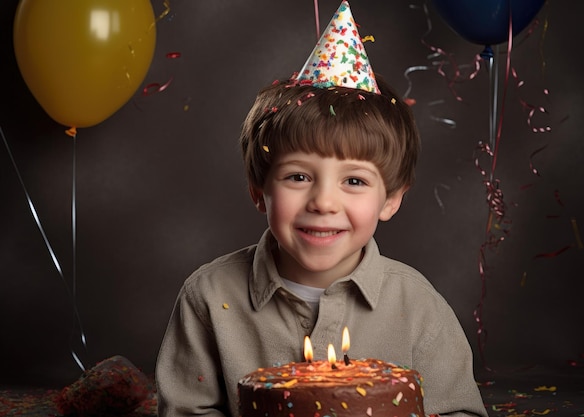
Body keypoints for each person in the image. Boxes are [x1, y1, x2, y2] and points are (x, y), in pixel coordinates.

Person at [156, 2, 487, 416]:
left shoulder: (417, 307)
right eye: (298, 177)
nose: (324, 202)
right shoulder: (209, 298)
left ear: (391, 199)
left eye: (354, 181)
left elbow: (460, 411)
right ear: (259, 190)